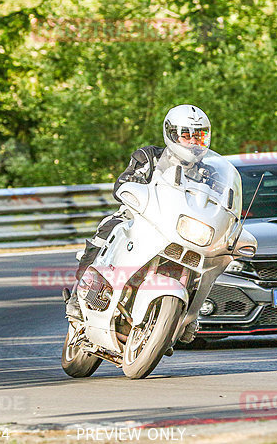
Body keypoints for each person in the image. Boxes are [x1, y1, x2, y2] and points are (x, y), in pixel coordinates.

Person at [65, 104, 212, 336]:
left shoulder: (209, 173)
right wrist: (128, 187)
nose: (193, 141)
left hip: (180, 229)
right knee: (108, 228)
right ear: (171, 134)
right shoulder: (149, 156)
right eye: (186, 135)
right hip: (141, 217)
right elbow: (124, 182)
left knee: (208, 259)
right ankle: (78, 295)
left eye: (199, 135)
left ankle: (189, 317)